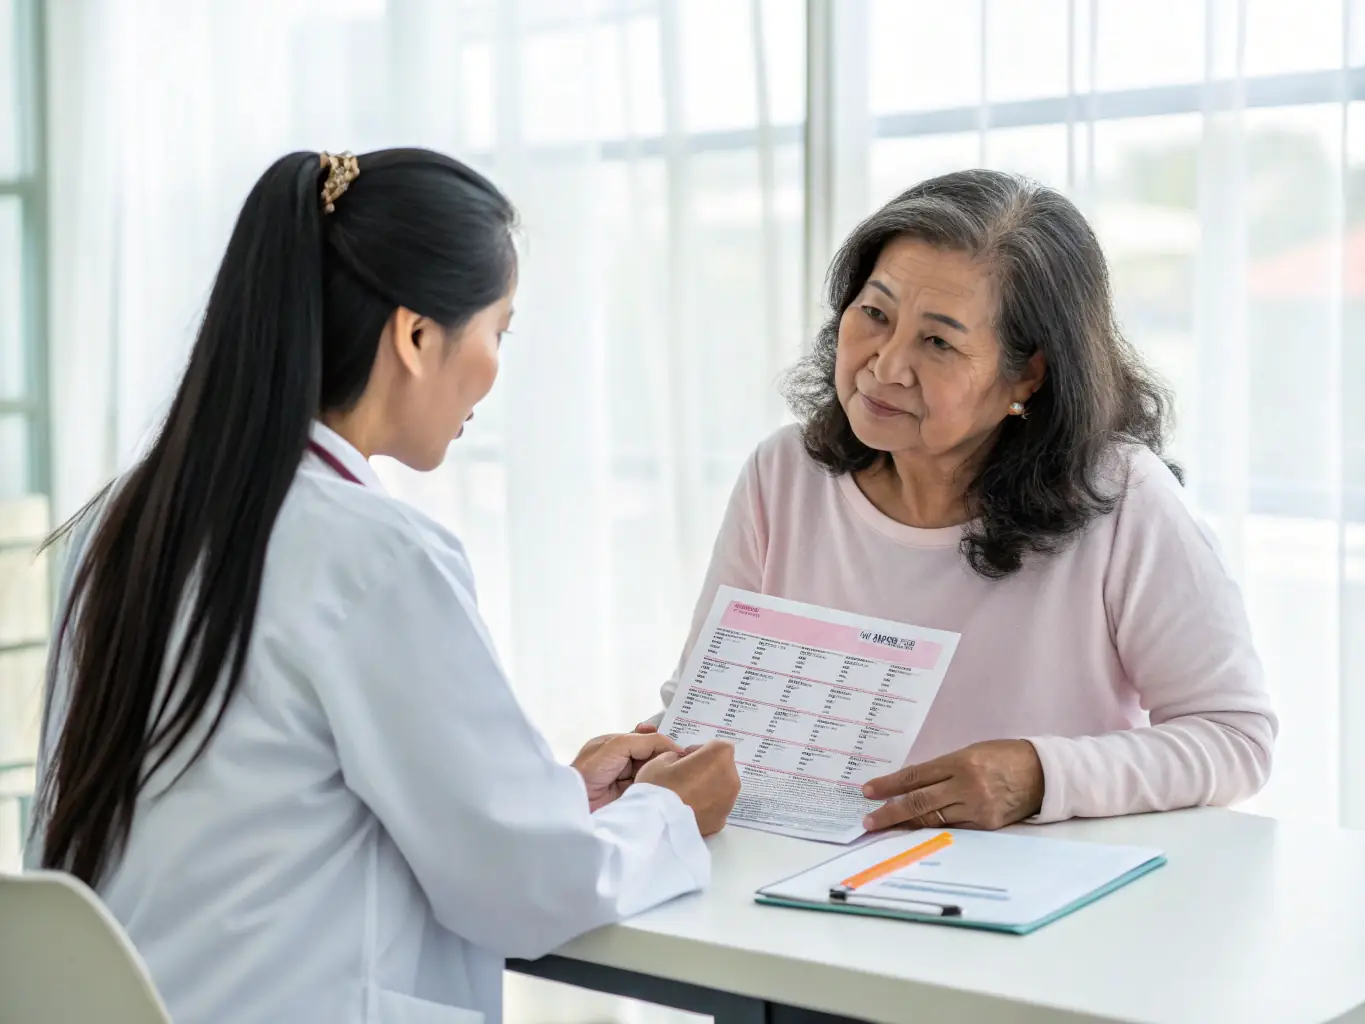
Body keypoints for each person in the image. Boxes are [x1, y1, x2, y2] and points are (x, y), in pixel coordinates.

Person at [26, 149, 740, 1024]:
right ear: (413, 335)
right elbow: (526, 891)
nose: (494, 369)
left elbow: (274, 805)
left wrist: (553, 795)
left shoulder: (122, 524)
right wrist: (667, 814)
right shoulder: (373, 552)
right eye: (498, 331)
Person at [648, 169, 1275, 832]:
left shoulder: (1123, 497)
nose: (885, 366)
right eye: (874, 314)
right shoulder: (784, 472)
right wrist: (658, 753)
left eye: (938, 341)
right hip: (803, 877)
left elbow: (1234, 738)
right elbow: (708, 708)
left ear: (1026, 372)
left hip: (1036, 902)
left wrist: (1039, 775)